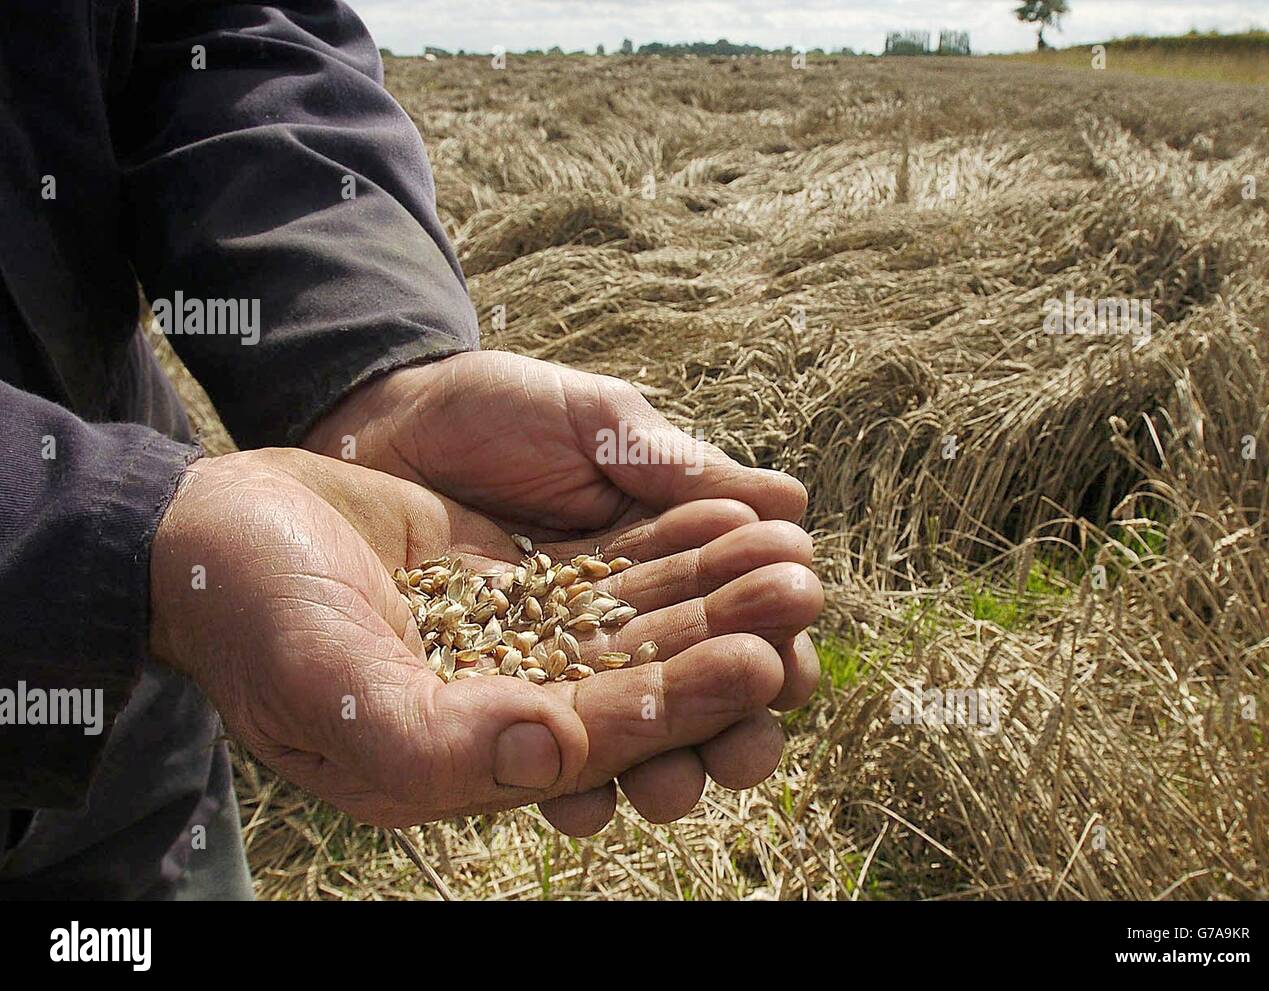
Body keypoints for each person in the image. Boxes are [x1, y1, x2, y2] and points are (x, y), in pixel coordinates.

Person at [0, 0, 823, 899]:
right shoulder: (163, 558)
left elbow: (230, 40)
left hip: (125, 713)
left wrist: (381, 370)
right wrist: (96, 531)